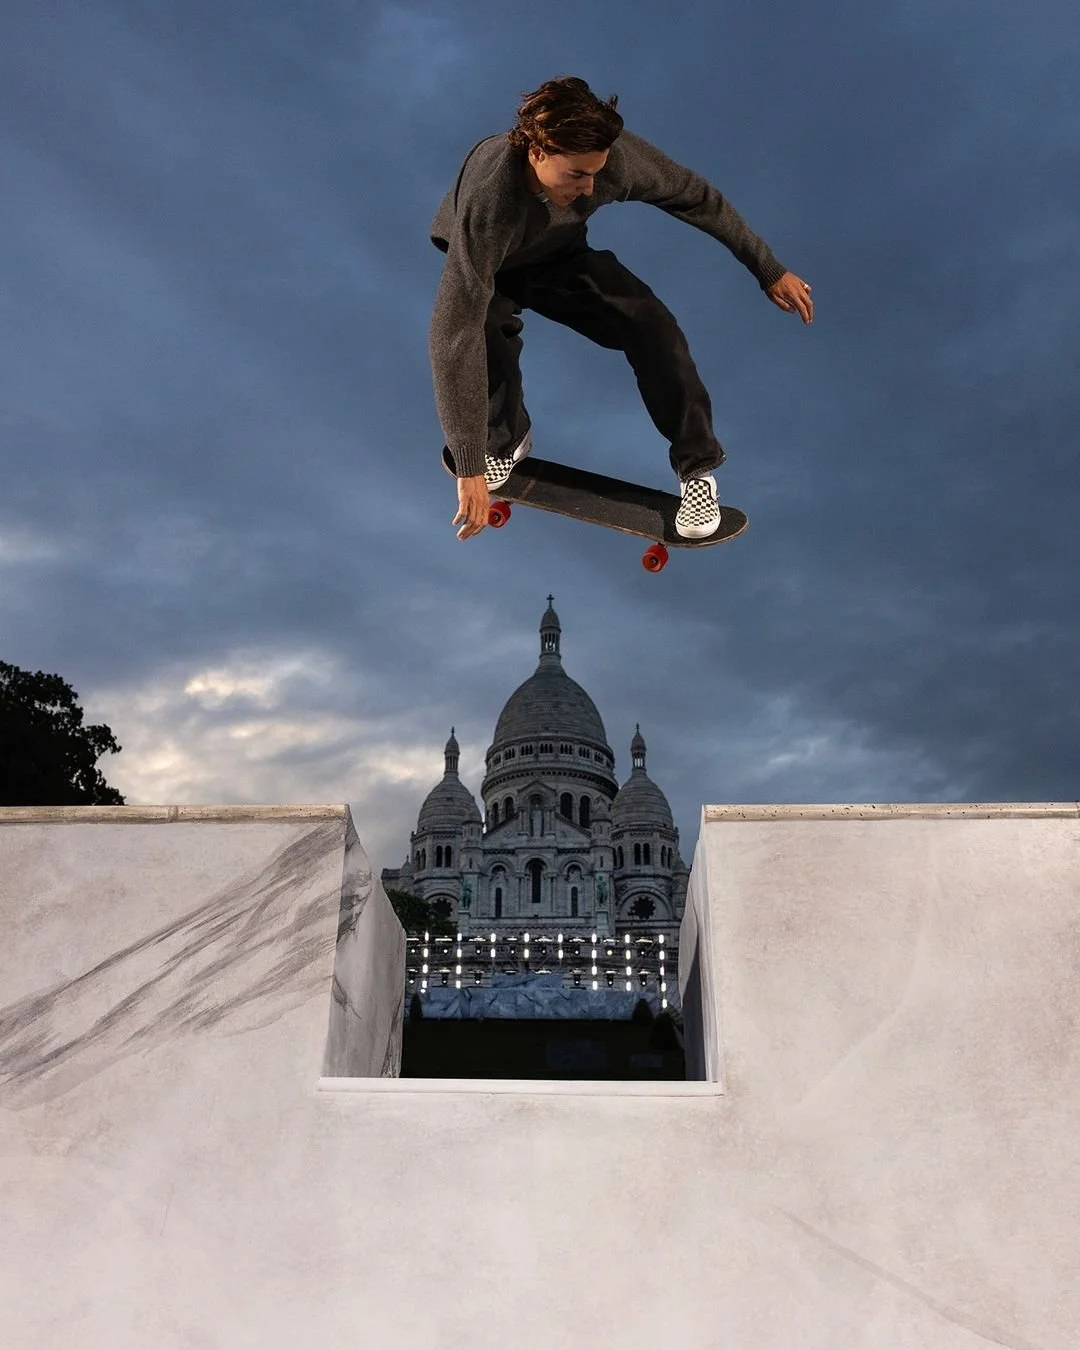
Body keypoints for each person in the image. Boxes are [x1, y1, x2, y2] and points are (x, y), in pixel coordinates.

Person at [429, 76, 813, 542]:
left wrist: (766, 266)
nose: (590, 189)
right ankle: (505, 440)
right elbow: (453, 334)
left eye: (596, 172)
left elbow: (698, 197)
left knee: (652, 325)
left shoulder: (617, 161)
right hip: (492, 263)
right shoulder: (491, 201)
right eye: (576, 175)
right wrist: (469, 462)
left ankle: (697, 470)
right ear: (537, 153)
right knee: (484, 324)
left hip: (561, 258)